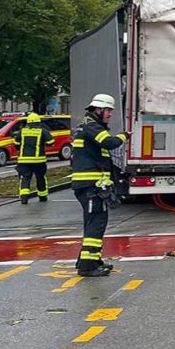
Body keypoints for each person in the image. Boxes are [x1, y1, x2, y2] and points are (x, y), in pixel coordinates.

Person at [71, 94, 129, 277]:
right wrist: (124, 136)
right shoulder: (92, 126)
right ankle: (88, 266)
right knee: (96, 222)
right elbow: (109, 143)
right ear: (98, 110)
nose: (110, 114)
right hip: (91, 186)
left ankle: (89, 260)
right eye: (108, 110)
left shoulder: (89, 126)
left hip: (90, 185)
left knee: (92, 222)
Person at [16, 113, 54, 204]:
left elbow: (16, 144)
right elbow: (51, 142)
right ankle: (42, 196)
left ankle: (24, 197)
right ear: (38, 122)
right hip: (38, 160)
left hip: (23, 160)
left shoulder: (22, 131)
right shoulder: (43, 131)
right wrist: (43, 144)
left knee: (25, 178)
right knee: (40, 178)